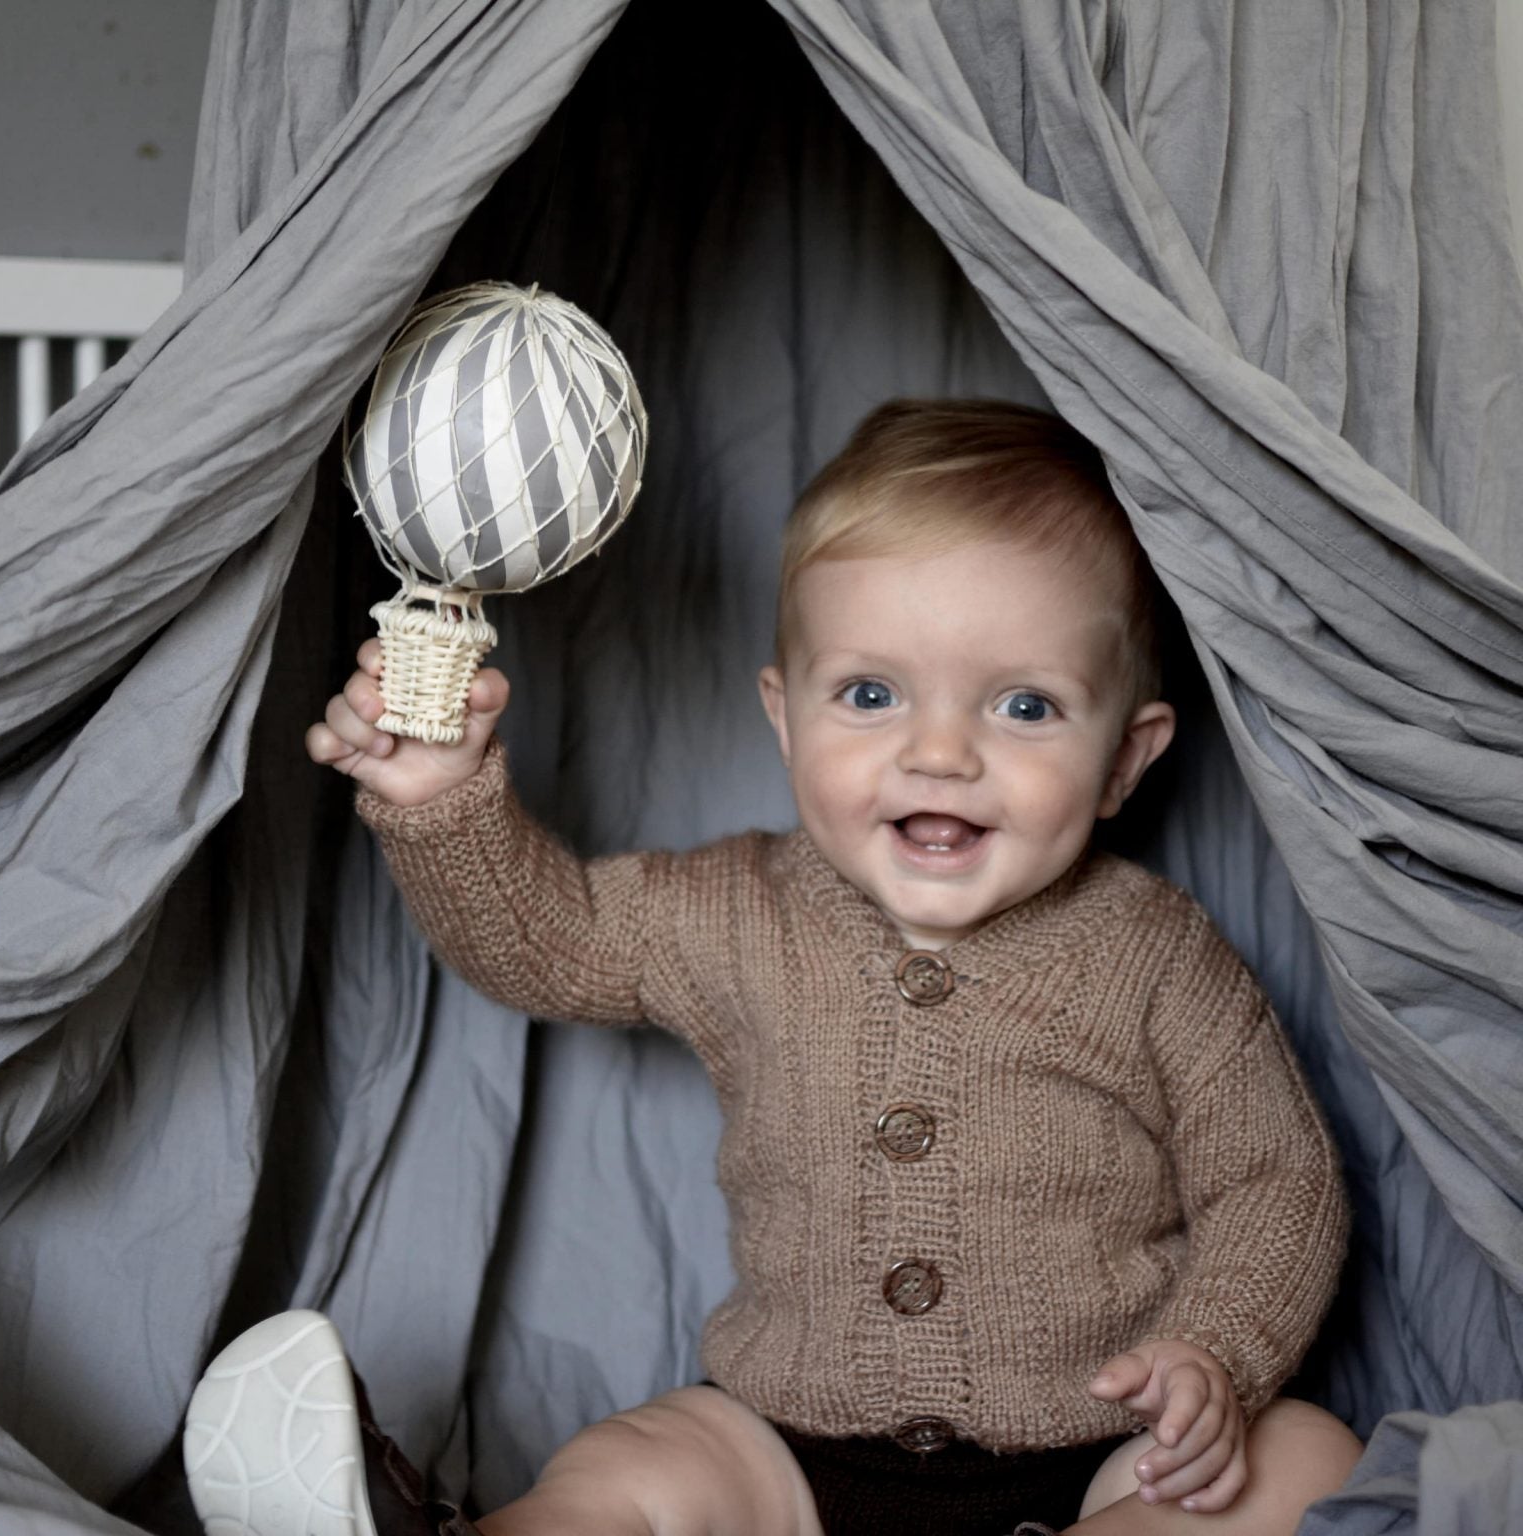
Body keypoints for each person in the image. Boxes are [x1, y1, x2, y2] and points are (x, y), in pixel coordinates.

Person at [188, 401, 1362, 1536]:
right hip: (792, 1459)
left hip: (1098, 1459)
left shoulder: (1155, 955)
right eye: (870, 694)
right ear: (787, 718)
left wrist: (1216, 1349)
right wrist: (443, 805)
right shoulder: (740, 908)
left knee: (1305, 1460)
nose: (940, 752)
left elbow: (1278, 1179)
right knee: (637, 1462)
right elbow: (553, 943)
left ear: (1124, 759)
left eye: (1023, 705)